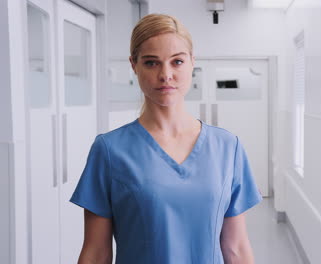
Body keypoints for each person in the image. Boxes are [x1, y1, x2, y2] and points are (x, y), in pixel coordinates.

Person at [69, 13, 263, 264]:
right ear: (133, 65)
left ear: (193, 62)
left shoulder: (227, 148)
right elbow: (96, 253)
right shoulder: (109, 151)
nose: (166, 74)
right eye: (151, 63)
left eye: (177, 62)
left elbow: (236, 248)